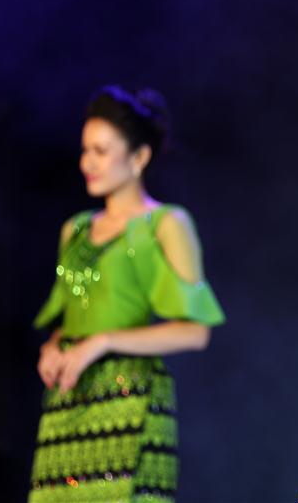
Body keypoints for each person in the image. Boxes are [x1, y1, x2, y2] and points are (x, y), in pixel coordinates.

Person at [27, 85, 226, 503]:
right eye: (85, 151)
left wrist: (102, 343)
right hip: (68, 401)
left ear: (138, 158)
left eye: (100, 151)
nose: (87, 163)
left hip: (130, 401)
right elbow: (77, 315)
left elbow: (195, 332)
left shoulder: (166, 223)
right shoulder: (75, 230)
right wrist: (54, 347)